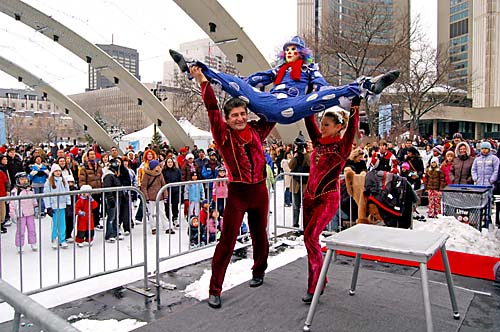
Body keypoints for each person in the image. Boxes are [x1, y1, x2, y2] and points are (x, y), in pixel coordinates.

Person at [191, 65, 275, 309]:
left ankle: (259, 270)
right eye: (234, 115)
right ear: (227, 120)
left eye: (242, 114)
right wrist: (202, 82)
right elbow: (212, 109)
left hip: (260, 191)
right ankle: (215, 289)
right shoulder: (223, 135)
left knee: (260, 235)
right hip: (237, 193)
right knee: (227, 241)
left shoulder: (257, 130)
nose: (239, 118)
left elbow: (274, 112)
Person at [170, 36, 399, 124]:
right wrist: (236, 84)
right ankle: (193, 67)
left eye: (294, 50)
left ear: (302, 53)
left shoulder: (310, 69)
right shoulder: (276, 71)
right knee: (238, 84)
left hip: (293, 105)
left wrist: (339, 97)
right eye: (287, 50)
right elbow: (251, 80)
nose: (290, 52)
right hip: (268, 101)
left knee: (326, 94)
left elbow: (323, 89)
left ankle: (366, 86)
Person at [300, 97, 361, 304]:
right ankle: (319, 279)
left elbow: (353, 128)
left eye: (326, 125)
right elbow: (309, 121)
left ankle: (315, 284)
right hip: (308, 198)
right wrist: (309, 98)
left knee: (310, 237)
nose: (321, 127)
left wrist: (355, 106)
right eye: (322, 124)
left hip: (327, 199)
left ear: (338, 127)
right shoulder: (318, 142)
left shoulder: (342, 147)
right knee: (309, 241)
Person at [140, 159, 173, 235]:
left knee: (162, 212)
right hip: (150, 197)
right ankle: (153, 227)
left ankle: (167, 227)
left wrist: (165, 195)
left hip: (159, 196)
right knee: (151, 213)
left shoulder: (160, 174)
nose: (158, 167)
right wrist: (146, 197)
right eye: (157, 166)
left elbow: (163, 185)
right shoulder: (147, 175)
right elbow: (143, 186)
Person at [471, 141, 499, 229]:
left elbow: (496, 170)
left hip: (489, 184)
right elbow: (473, 169)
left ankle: (488, 218)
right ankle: (480, 217)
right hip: (479, 184)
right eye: (482, 148)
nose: (484, 150)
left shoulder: (494, 159)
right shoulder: (477, 159)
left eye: (486, 148)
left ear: (489, 149)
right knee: (479, 201)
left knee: (488, 201)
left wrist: (492, 180)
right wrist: (475, 178)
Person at [43, 164, 71, 249]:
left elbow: (67, 192)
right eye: (56, 171)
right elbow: (46, 194)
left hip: (62, 205)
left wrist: (68, 203)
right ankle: (54, 238)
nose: (58, 173)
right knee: (55, 223)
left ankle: (62, 239)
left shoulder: (63, 181)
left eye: (59, 171)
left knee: (63, 223)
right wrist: (48, 207)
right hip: (54, 205)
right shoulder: (49, 182)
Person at [10, 172, 38, 252]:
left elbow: (34, 199)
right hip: (21, 213)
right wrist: (12, 214)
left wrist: (36, 207)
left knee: (32, 229)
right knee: (20, 231)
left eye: (25, 179)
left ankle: (33, 242)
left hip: (30, 213)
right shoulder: (15, 191)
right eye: (22, 179)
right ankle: (19, 244)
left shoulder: (30, 189)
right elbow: (12, 203)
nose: (24, 181)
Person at [79, 150, 104, 230]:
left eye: (93, 154)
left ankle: (96, 222)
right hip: (89, 191)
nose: (92, 156)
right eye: (91, 154)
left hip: (98, 190)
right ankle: (89, 224)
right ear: (88, 156)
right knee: (88, 209)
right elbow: (82, 180)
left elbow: (101, 178)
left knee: (97, 207)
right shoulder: (84, 167)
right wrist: (84, 190)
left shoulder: (99, 166)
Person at [162, 157, 182, 227]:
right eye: (168, 162)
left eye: (171, 162)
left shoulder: (177, 171)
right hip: (166, 191)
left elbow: (180, 180)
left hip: (175, 191)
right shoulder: (163, 171)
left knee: (175, 205)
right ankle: (168, 219)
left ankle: (175, 218)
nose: (170, 163)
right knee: (167, 206)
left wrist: (180, 189)